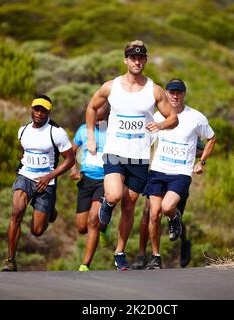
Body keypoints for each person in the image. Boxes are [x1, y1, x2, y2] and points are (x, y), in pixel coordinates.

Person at [85, 40, 178, 271]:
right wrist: (91, 136)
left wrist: (161, 125)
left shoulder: (154, 89)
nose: (137, 61)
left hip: (139, 157)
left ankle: (119, 252)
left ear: (145, 60)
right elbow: (91, 107)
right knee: (115, 195)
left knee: (129, 207)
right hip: (115, 152)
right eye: (132, 57)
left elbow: (173, 118)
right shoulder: (111, 86)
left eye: (141, 57)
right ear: (125, 59)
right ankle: (107, 204)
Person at [141, 78, 216, 269]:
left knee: (167, 208)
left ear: (184, 94)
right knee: (154, 214)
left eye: (178, 92)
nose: (175, 96)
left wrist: (202, 161)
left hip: (181, 172)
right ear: (166, 93)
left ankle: (175, 219)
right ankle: (155, 257)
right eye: (171, 92)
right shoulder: (158, 117)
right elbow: (145, 142)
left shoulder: (196, 117)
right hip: (158, 170)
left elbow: (211, 138)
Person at [1, 95, 75, 271]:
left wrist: (49, 176)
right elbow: (25, 152)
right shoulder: (23, 130)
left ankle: (49, 210)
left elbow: (70, 160)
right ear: (31, 109)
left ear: (49, 112)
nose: (39, 114)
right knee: (16, 213)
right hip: (25, 176)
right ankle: (10, 260)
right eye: (37, 109)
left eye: (43, 111)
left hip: (46, 182)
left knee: (37, 231)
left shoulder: (56, 133)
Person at [132, 136, 205, 270]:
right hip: (156, 173)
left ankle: (184, 242)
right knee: (149, 212)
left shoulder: (186, 122)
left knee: (175, 214)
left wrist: (182, 150)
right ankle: (143, 255)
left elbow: (201, 149)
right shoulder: (156, 122)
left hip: (178, 175)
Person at [70, 103, 110, 271]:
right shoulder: (83, 130)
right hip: (86, 180)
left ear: (108, 114)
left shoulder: (113, 131)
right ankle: (103, 226)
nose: (97, 121)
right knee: (81, 227)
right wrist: (73, 169)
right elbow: (70, 151)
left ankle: (85, 265)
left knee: (93, 219)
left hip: (105, 180)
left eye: (101, 117)